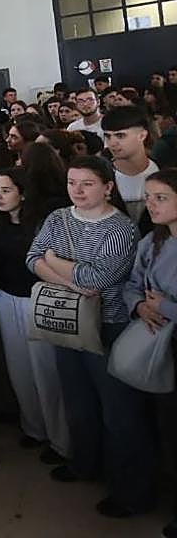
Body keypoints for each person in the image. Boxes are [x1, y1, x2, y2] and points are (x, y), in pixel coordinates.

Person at [26, 155, 155, 519]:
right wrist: (71, 280)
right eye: (72, 183)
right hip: (66, 321)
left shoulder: (121, 229)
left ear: (107, 187)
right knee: (77, 399)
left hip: (108, 325)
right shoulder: (58, 218)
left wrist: (55, 261)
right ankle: (85, 463)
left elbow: (98, 279)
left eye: (87, 184)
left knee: (119, 411)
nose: (77, 191)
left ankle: (130, 491)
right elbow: (33, 257)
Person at [0, 167, 70, 463]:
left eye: (6, 190)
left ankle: (61, 439)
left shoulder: (40, 224)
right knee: (19, 368)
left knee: (45, 370)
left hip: (37, 299)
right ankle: (34, 426)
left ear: (22, 193)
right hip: (7, 297)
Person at [126, 170, 177, 537]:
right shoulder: (152, 241)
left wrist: (166, 307)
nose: (152, 205)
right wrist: (140, 306)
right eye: (149, 198)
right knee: (166, 427)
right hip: (157, 343)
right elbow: (132, 284)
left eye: (161, 197)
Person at [102, 105, 159, 225]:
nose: (112, 143)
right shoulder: (99, 176)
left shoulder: (165, 172)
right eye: (108, 136)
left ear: (142, 135)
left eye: (120, 136)